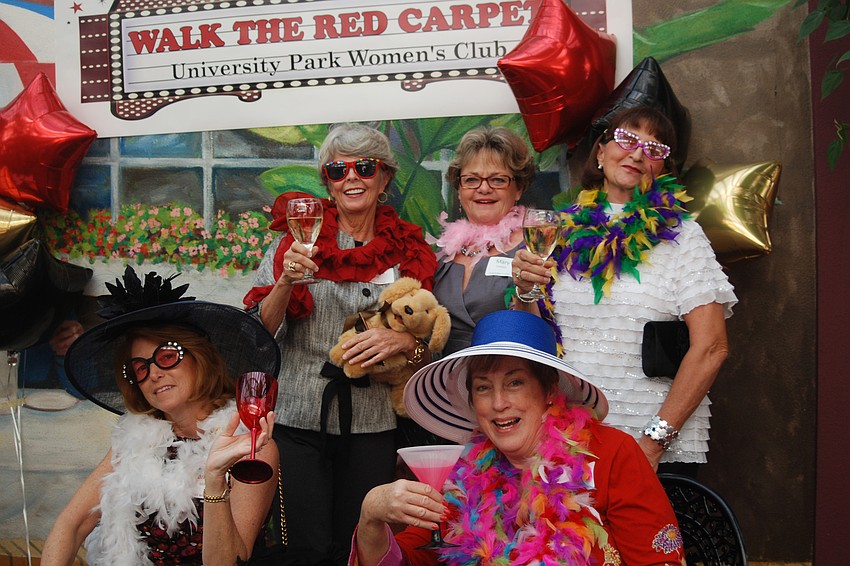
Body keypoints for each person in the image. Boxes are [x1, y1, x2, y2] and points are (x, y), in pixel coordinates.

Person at [349, 310, 684, 565]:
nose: (498, 404)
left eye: (515, 383)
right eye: (483, 387)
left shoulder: (611, 454)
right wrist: (370, 517)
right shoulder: (466, 475)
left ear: (549, 390)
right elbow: (407, 559)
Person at [243, 123, 437, 563]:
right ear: (327, 182)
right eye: (337, 169)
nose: (351, 177)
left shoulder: (410, 248)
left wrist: (402, 340)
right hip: (298, 420)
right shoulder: (294, 243)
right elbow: (259, 334)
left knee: (362, 541)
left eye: (364, 167)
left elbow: (429, 353)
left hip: (373, 425)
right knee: (305, 548)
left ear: (384, 178)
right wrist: (285, 283)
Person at [512, 106, 738, 472]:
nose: (637, 153)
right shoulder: (560, 231)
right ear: (601, 152)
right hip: (568, 441)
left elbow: (712, 347)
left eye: (654, 148)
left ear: (662, 168)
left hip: (652, 447)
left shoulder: (683, 237)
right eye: (628, 138)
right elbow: (534, 339)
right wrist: (525, 289)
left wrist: (651, 445)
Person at [42, 268, 282, 565]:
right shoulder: (133, 441)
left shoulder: (250, 445)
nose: (154, 373)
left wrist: (215, 477)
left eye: (167, 356)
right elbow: (72, 524)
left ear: (200, 358)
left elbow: (231, 561)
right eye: (140, 368)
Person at [430, 126, 536, 355]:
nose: (484, 188)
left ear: (518, 188)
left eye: (497, 180)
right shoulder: (440, 253)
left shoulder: (535, 248)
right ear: (459, 190)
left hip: (507, 371)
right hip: (445, 374)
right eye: (471, 180)